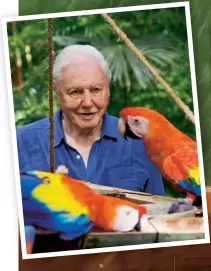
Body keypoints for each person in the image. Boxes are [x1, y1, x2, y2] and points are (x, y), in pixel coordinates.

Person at [16, 45, 165, 195]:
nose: (87, 102)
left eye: (96, 90)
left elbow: (160, 212)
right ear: (56, 91)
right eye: (75, 92)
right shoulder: (19, 143)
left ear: (108, 89)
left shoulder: (140, 144)